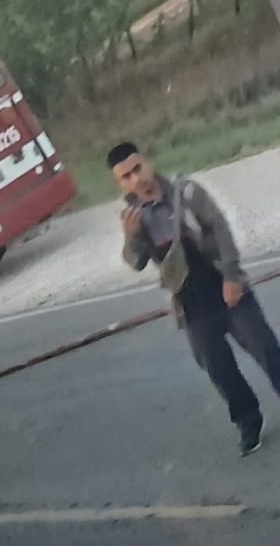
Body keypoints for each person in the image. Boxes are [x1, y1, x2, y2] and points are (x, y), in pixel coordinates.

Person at [107, 141, 280, 456]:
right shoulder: (133, 218)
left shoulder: (186, 192)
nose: (136, 179)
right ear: (120, 183)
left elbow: (221, 229)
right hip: (192, 304)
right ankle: (248, 421)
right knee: (218, 369)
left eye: (137, 169)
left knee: (267, 349)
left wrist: (232, 277)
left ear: (147, 161)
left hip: (225, 288)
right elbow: (136, 263)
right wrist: (131, 237)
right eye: (126, 177)